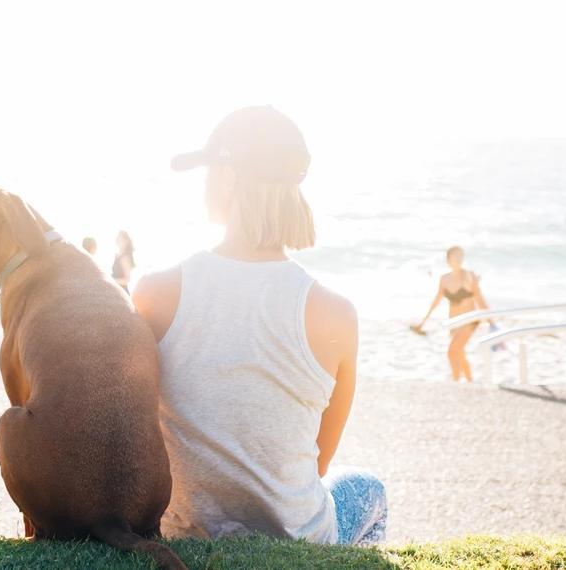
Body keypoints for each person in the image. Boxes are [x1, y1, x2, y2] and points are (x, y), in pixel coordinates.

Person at [133, 106, 386, 546]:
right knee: (370, 488)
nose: (206, 182)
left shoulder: (156, 291)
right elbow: (318, 464)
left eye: (210, 169)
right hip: (298, 537)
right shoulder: (336, 313)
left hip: (184, 531)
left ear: (229, 176)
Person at [413, 246, 490, 382]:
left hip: (469, 321)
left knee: (451, 351)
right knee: (458, 353)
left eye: (461, 256)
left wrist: (492, 321)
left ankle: (459, 382)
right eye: (456, 256)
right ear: (448, 260)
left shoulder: (469, 276)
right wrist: (423, 322)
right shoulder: (444, 279)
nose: (459, 259)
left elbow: (480, 299)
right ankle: (467, 382)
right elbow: (436, 302)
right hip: (453, 322)